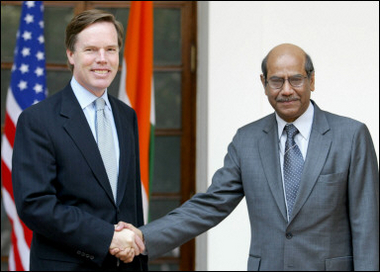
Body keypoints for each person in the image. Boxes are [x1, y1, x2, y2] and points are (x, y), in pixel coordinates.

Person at [111, 43, 379, 270]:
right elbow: (209, 205)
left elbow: (367, 226)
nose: (286, 90)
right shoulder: (247, 140)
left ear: (312, 80)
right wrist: (144, 236)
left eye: (296, 79)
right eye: (276, 80)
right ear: (263, 84)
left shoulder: (351, 136)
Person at [12, 9, 146, 271]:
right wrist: (107, 237)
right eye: (91, 50)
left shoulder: (126, 116)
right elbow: (35, 204)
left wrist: (135, 248)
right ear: (71, 55)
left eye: (110, 49)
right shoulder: (38, 120)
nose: (102, 59)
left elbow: (130, 203)